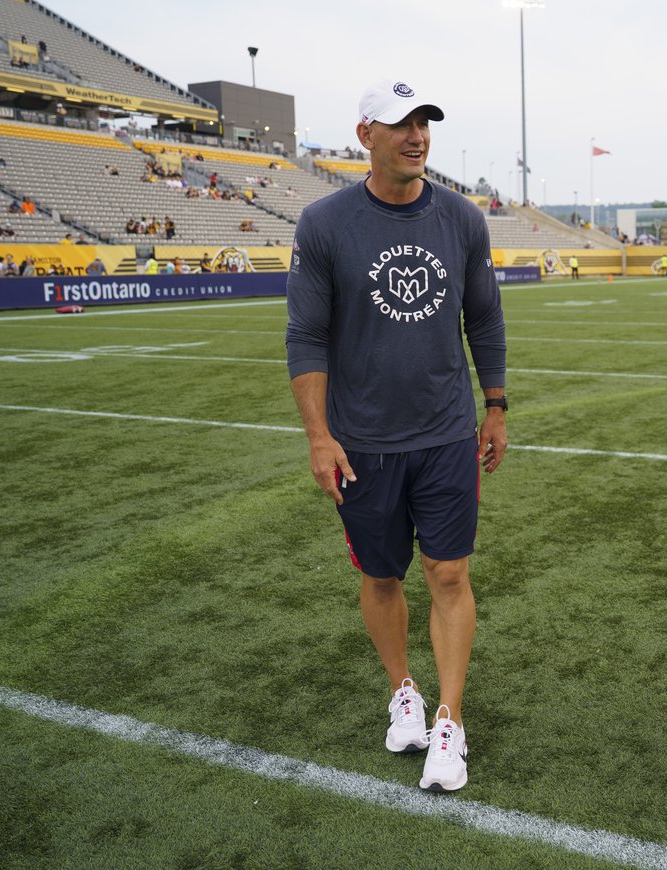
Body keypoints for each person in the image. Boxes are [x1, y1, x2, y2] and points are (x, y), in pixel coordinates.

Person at [285, 77, 508, 795]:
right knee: (380, 575)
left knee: (449, 574)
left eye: (424, 124)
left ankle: (450, 719)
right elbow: (305, 335)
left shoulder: (462, 219)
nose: (417, 137)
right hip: (362, 443)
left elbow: (485, 317)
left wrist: (496, 405)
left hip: (446, 435)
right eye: (401, 124)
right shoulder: (325, 224)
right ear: (366, 135)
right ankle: (403, 691)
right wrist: (318, 437)